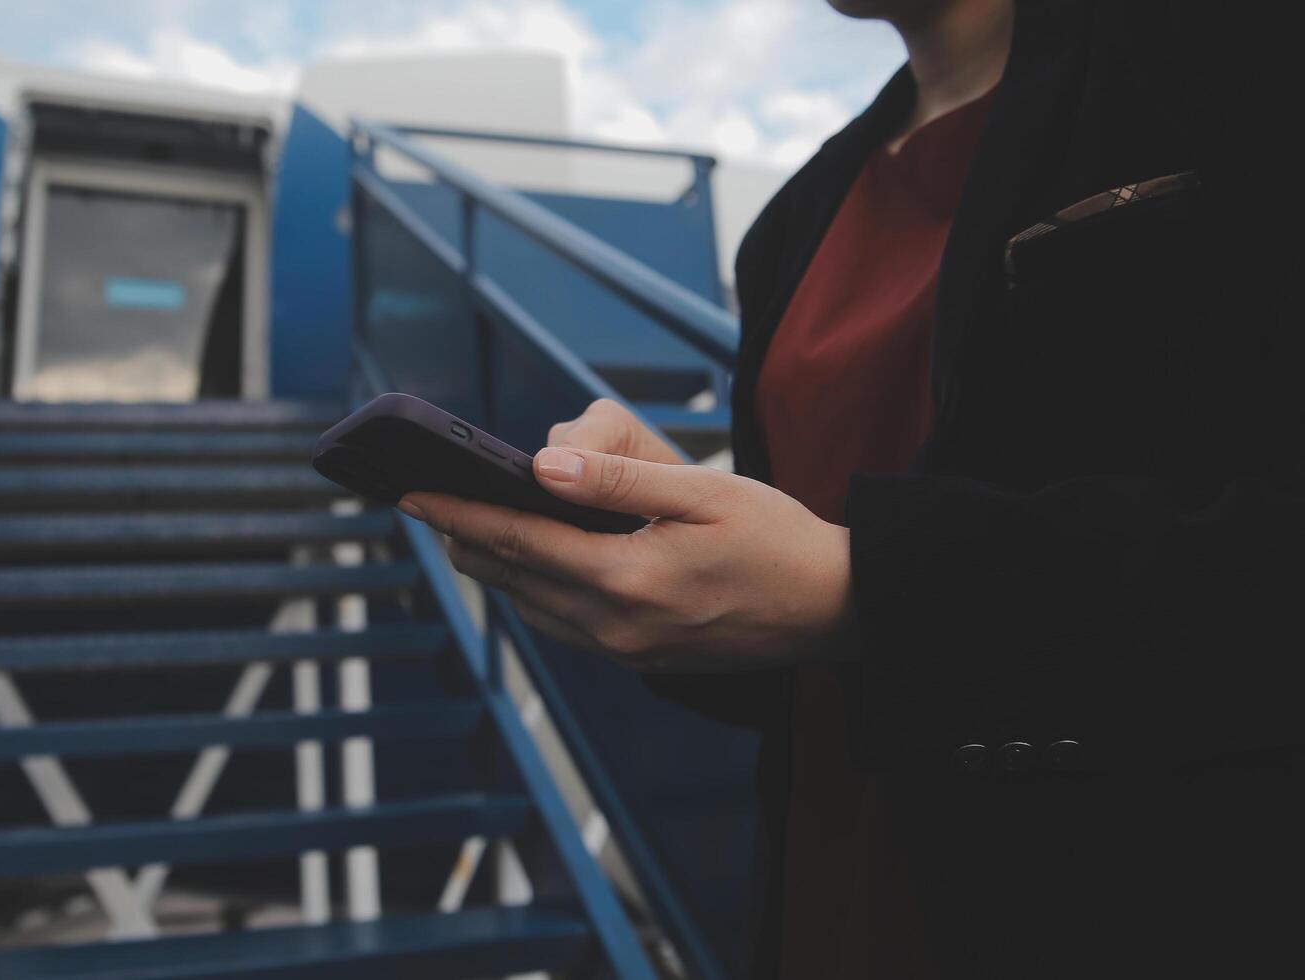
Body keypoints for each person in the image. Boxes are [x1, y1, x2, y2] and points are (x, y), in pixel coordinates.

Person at [396, 0, 1302, 975]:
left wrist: (867, 585)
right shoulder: (795, 218)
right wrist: (675, 555)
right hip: (822, 909)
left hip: (1147, 914)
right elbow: (816, 644)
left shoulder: (1241, 56)